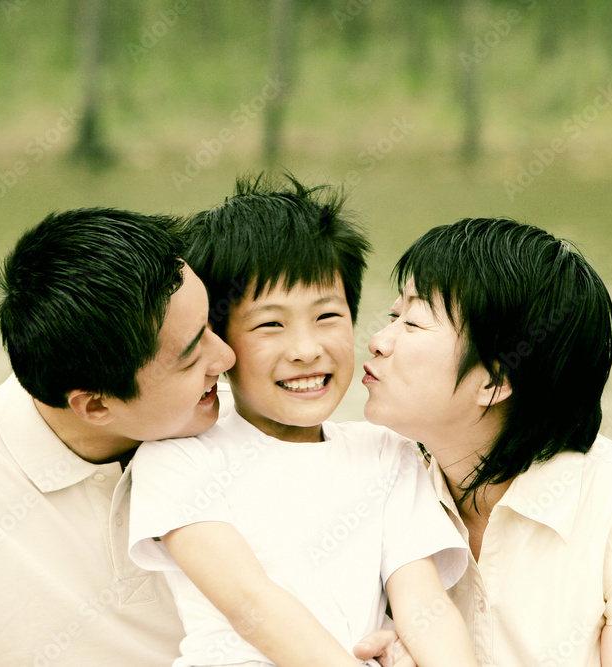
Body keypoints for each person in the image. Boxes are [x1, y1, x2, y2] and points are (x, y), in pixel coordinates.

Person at [127, 175, 478, 667]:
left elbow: (425, 605)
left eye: (328, 316)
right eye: (271, 324)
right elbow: (252, 604)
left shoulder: (386, 451)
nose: (307, 350)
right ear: (219, 339)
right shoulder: (178, 456)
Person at [0, 208, 237, 666]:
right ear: (96, 405)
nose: (228, 357)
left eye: (213, 326)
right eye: (192, 356)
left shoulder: (240, 427)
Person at [362, 218, 612, 666]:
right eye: (393, 316)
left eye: (413, 323)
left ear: (494, 380)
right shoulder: (380, 482)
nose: (377, 341)